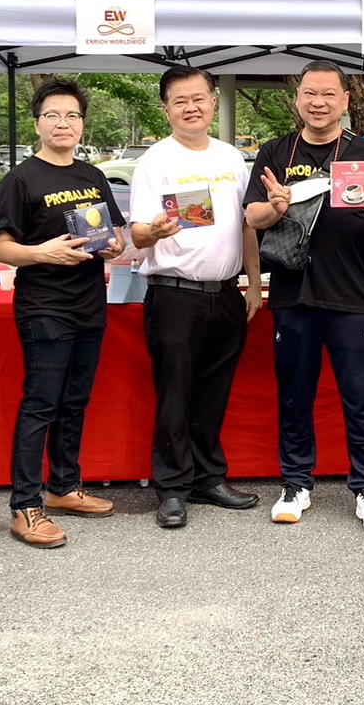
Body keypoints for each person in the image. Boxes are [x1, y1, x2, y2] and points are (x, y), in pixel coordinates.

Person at [244, 61, 364, 533]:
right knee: (295, 396)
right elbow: (251, 217)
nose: (318, 102)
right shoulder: (276, 151)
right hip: (292, 295)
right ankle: (296, 483)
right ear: (297, 98)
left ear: (345, 101)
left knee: (361, 398)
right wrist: (275, 209)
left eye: (329, 94)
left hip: (350, 294)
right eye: (310, 93)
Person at [0, 78, 127, 547]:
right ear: (38, 124)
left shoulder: (92, 175)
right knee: (41, 404)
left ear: (82, 124)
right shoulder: (22, 178)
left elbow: (116, 235)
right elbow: (0, 245)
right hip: (45, 307)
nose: (63, 123)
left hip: (90, 304)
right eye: (53, 115)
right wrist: (41, 253)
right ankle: (25, 505)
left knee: (75, 400)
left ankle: (64, 487)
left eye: (72, 115)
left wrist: (113, 247)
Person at [131, 65, 264, 529]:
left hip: (225, 294)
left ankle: (208, 478)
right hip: (175, 296)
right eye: (180, 101)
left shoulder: (231, 157)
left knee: (214, 393)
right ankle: (171, 488)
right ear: (166, 109)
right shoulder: (155, 161)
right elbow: (137, 235)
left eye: (199, 98)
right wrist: (155, 230)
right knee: (175, 394)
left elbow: (246, 224)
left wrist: (253, 282)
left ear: (212, 102)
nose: (191, 108)